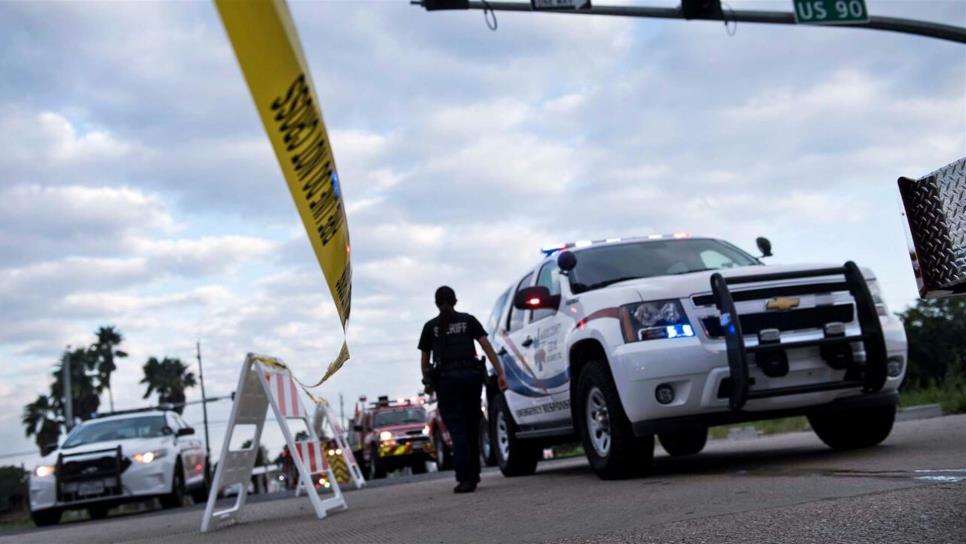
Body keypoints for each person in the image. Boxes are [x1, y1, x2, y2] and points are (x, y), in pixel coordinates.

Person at [418, 285, 508, 493]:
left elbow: (424, 361)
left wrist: (428, 384)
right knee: (471, 427)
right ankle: (474, 475)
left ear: (436, 304)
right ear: (455, 301)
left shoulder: (431, 327)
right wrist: (500, 373)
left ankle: (465, 479)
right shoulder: (468, 320)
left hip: (447, 382)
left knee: (457, 430)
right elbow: (486, 346)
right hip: (471, 378)